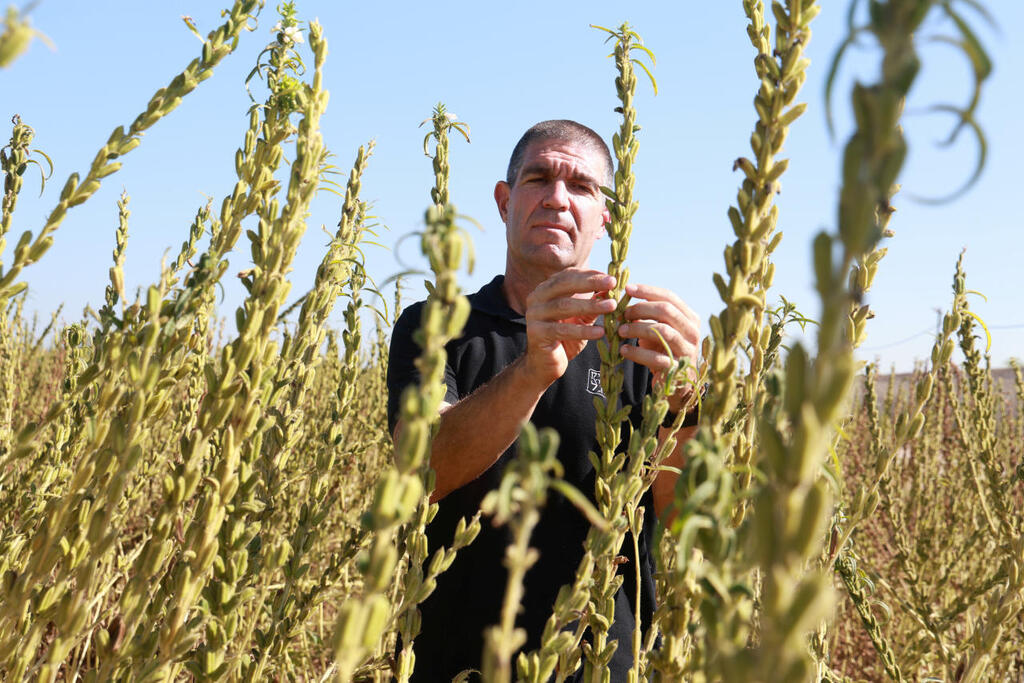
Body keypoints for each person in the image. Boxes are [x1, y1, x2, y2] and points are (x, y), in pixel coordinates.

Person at [386, 120, 700, 682]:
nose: (558, 198)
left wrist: (685, 404)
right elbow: (423, 469)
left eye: (581, 186)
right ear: (505, 202)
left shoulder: (638, 346)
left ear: (606, 216)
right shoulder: (436, 328)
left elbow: (687, 519)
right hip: (455, 665)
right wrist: (535, 367)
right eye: (539, 178)